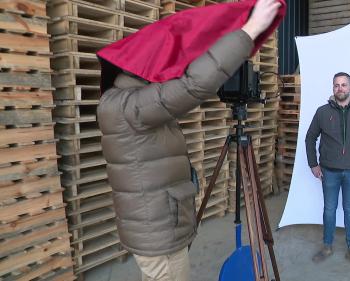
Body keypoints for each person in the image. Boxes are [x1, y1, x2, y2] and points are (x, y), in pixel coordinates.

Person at [96, 0, 282, 280]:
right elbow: (193, 85)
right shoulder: (129, 106)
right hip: (157, 231)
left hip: (156, 222)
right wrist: (250, 29)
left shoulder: (123, 101)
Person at [305, 72, 350, 269]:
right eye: (337, 85)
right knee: (329, 210)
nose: (340, 88)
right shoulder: (322, 112)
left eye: (344, 85)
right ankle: (327, 247)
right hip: (329, 171)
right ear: (333, 88)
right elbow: (310, 138)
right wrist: (313, 164)